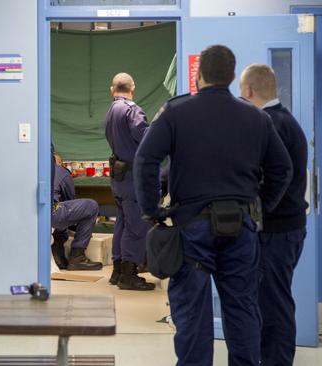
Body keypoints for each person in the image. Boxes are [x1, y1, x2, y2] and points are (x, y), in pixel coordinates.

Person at [134, 45, 293, 365]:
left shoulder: (176, 112)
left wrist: (152, 209)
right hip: (241, 227)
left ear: (198, 74)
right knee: (243, 309)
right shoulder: (256, 118)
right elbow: (283, 169)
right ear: (232, 77)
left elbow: (145, 159)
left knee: (192, 312)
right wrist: (261, 205)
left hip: (191, 228)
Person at [240, 64, 308, 366]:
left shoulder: (271, 123)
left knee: (275, 305)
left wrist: (260, 212)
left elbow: (277, 174)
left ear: (248, 91)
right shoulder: (282, 120)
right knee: (271, 301)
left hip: (277, 231)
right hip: (283, 229)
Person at [104, 72, 155, 291]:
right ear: (132, 88)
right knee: (136, 225)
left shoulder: (110, 111)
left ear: (111, 89)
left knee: (122, 222)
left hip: (118, 177)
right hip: (133, 177)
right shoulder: (132, 111)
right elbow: (147, 139)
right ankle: (129, 274)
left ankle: (117, 270)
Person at [51, 154, 103, 271]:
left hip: (33, 213)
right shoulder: (62, 171)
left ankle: (57, 254)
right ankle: (77, 257)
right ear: (61, 164)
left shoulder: (35, 168)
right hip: (51, 212)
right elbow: (69, 200)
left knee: (60, 211)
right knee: (90, 206)